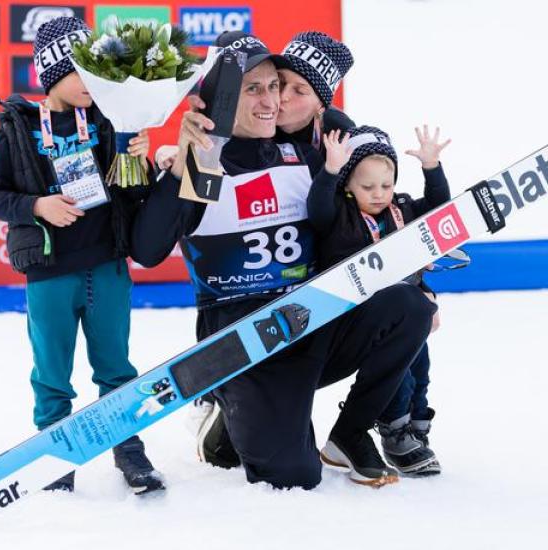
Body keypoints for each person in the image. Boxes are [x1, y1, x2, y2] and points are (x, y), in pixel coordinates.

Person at [132, 31, 436, 488]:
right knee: (295, 477)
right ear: (222, 96)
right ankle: (227, 419)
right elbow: (148, 250)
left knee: (410, 308)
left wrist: (421, 277)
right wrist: (179, 163)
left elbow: (373, 211)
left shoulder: (305, 153)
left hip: (314, 320)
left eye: (274, 86)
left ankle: (350, 434)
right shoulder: (207, 160)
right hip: (247, 342)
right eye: (253, 88)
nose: (270, 100)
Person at [0, 16, 163, 495]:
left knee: (116, 367)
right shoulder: (18, 128)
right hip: (49, 272)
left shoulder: (109, 124)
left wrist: (139, 157)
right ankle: (54, 453)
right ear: (52, 75)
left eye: (98, 75)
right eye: (82, 74)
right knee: (52, 372)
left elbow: (133, 190)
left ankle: (128, 447)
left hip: (106, 263)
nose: (92, 85)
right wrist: (36, 206)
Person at [309, 125, 451, 476]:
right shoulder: (340, 216)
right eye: (367, 187)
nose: (378, 194)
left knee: (420, 366)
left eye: (386, 186)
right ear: (348, 186)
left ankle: (417, 425)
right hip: (360, 321)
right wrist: (329, 171)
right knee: (398, 371)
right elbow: (317, 210)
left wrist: (432, 168)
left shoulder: (400, 208)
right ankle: (394, 428)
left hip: (405, 312)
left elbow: (438, 209)